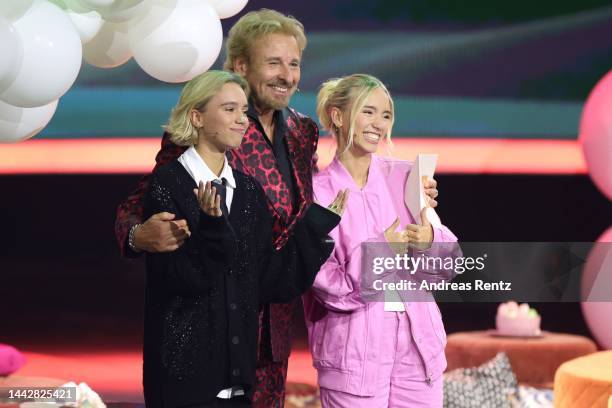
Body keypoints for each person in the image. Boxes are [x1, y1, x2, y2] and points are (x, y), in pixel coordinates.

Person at [114, 10, 324, 406]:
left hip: (274, 322)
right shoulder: (212, 125)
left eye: (294, 63)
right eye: (274, 62)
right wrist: (137, 235)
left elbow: (316, 196)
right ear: (241, 66)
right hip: (208, 321)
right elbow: (142, 200)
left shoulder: (303, 131)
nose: (287, 75)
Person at [143, 70, 342, 407]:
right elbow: (184, 278)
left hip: (237, 377)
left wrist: (313, 229)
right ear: (197, 116)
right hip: (183, 376)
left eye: (243, 111)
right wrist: (213, 224)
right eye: (229, 110)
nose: (242, 121)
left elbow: (266, 279)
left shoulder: (248, 192)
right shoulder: (169, 183)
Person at [303, 74, 460, 407]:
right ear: (338, 116)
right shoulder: (318, 193)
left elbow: (449, 265)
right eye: (368, 112)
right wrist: (382, 251)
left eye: (386, 115)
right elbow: (329, 288)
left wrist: (429, 239)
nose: (379, 123)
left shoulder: (404, 177)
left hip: (417, 359)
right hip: (354, 361)